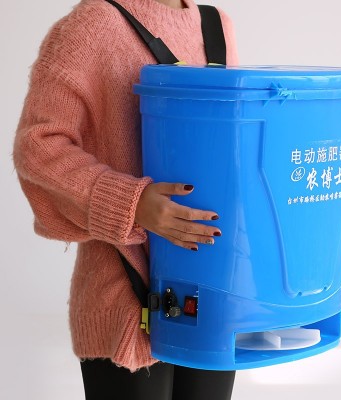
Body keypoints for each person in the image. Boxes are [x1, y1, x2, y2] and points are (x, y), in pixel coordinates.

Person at [13, 0, 239, 399]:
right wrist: (131, 204)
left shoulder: (216, 25)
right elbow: (38, 148)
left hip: (215, 294)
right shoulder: (93, 24)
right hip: (126, 298)